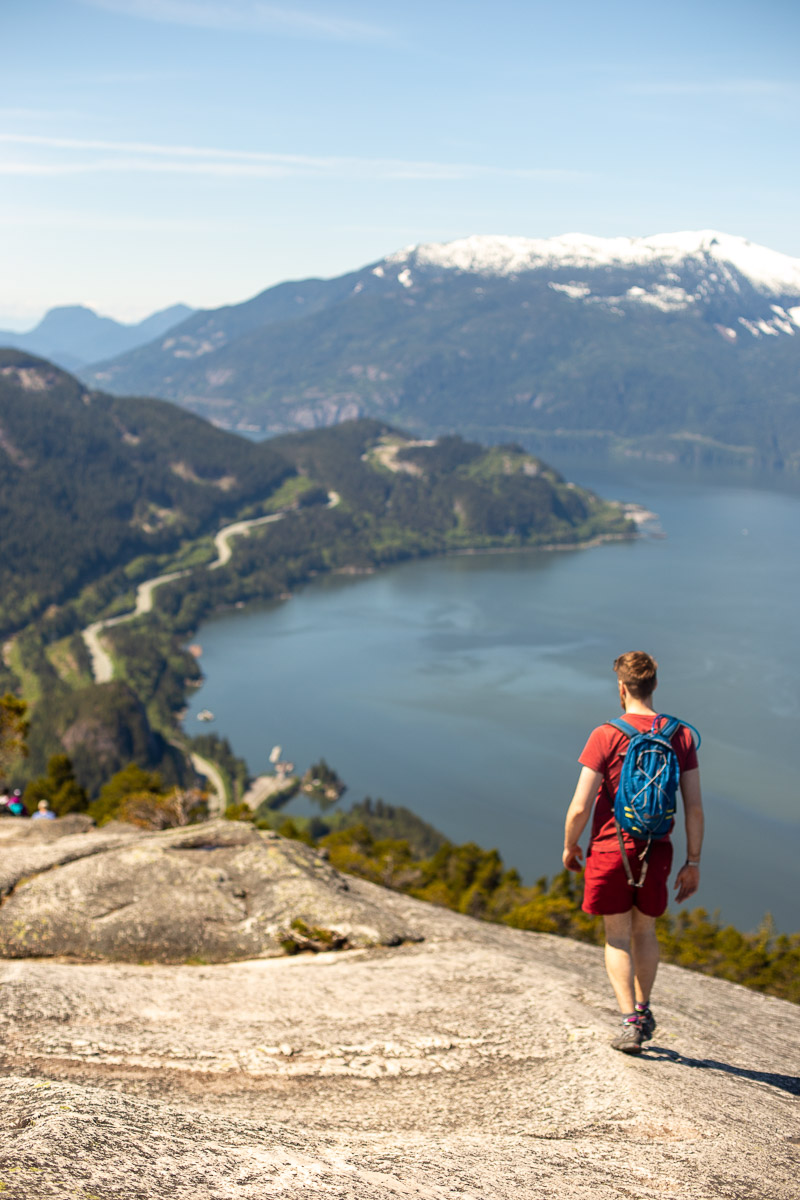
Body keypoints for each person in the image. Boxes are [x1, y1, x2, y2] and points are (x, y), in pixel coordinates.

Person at [562, 651, 704, 1054]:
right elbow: (693, 806)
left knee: (617, 937)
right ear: (655, 685)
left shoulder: (605, 735)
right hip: (657, 849)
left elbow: (579, 806)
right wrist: (693, 863)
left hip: (610, 849)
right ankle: (644, 1009)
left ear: (621, 688)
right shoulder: (681, 735)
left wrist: (570, 845)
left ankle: (629, 1023)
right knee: (645, 930)